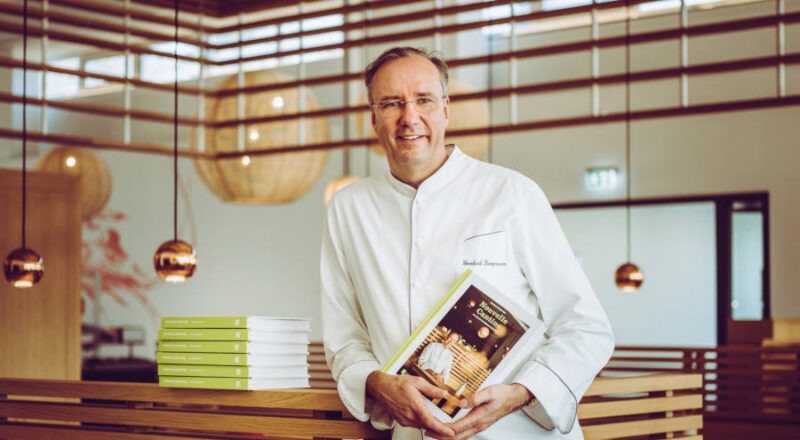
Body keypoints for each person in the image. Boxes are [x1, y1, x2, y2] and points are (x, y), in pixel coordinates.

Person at [321, 47, 614, 440]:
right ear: (373, 117)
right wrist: (374, 382)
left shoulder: (511, 193)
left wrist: (522, 393)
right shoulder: (348, 209)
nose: (410, 117)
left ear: (446, 109)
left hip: (519, 432)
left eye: (423, 100)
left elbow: (586, 326)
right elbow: (345, 339)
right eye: (391, 103)